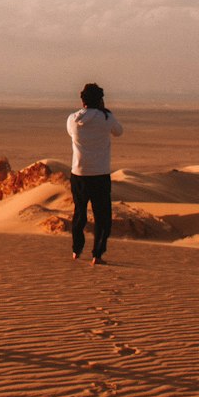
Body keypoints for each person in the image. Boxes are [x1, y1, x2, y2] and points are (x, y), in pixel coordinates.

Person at [67, 82, 123, 266]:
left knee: (79, 214)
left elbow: (72, 133)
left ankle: (76, 250)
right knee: (102, 216)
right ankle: (97, 254)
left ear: (82, 100)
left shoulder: (73, 119)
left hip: (79, 173)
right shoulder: (106, 118)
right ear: (100, 99)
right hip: (99, 174)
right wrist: (104, 111)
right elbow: (119, 132)